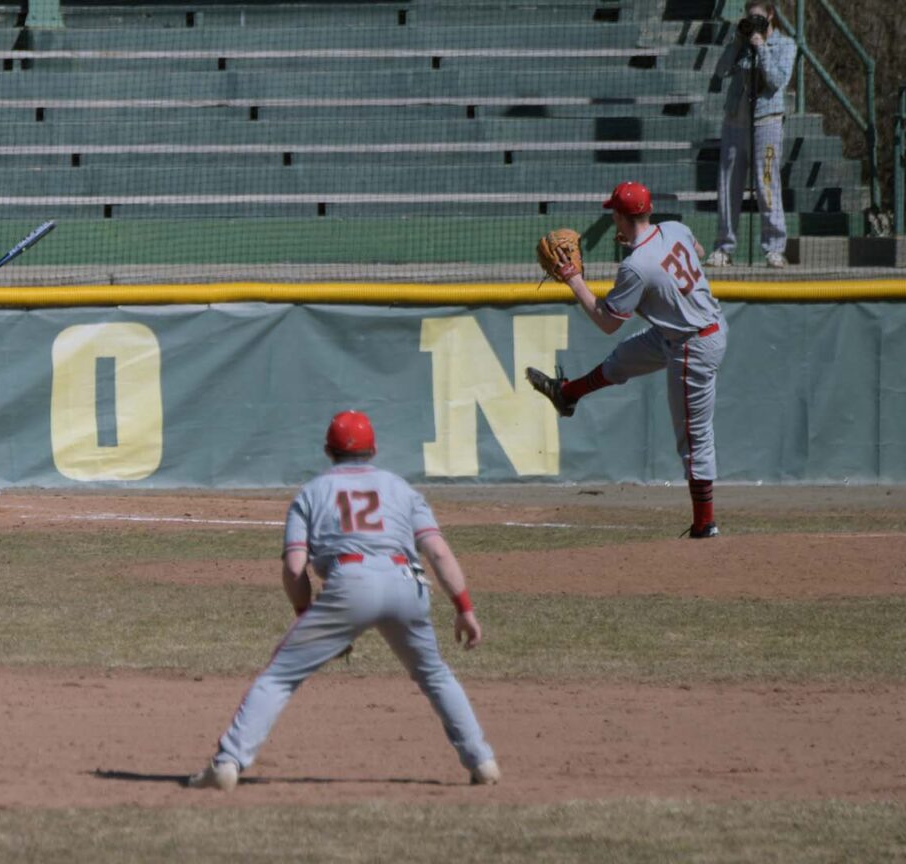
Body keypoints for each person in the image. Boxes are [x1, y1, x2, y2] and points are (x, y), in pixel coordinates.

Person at [187, 410, 500, 792]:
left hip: (351, 583)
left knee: (279, 677)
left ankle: (228, 762)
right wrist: (464, 608)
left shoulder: (311, 493)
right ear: (374, 449)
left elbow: (295, 566)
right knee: (435, 675)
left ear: (327, 450)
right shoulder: (401, 488)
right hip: (407, 582)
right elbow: (438, 551)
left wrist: (306, 615)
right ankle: (482, 761)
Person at [526, 181, 728, 538]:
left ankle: (704, 524)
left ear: (619, 217)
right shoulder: (674, 229)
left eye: (614, 213)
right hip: (688, 328)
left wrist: (574, 280)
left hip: (692, 344)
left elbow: (607, 322)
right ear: (649, 211)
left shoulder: (635, 266)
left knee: (694, 436)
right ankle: (568, 393)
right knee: (624, 358)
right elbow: (696, 250)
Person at [706, 1, 797, 269]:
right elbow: (721, 70)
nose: (753, 23)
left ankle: (774, 248)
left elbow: (777, 80)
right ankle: (724, 247)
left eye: (758, 18)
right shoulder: (741, 43)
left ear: (771, 15)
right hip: (735, 121)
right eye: (750, 17)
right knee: (728, 186)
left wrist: (762, 48)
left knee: (766, 183)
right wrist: (737, 42)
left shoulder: (785, 45)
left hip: (767, 122)